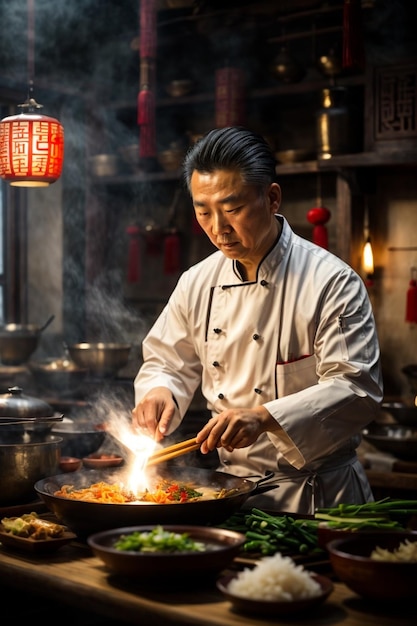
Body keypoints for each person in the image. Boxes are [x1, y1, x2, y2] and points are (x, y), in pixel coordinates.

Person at [132, 126, 383, 514]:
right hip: (231, 495)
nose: (218, 228)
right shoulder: (196, 282)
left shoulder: (331, 281)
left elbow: (357, 388)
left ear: (272, 198)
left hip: (319, 500)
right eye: (203, 212)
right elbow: (167, 361)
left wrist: (265, 418)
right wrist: (159, 391)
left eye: (232, 209)